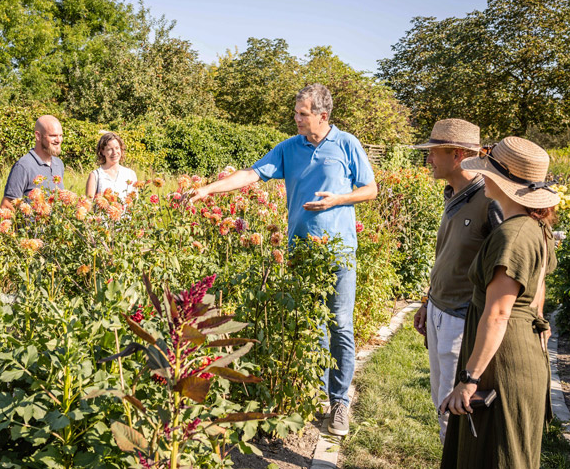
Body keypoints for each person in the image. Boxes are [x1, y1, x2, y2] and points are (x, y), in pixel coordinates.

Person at [190, 83, 377, 436]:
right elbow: (252, 174)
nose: (296, 119)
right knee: (312, 325)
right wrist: (208, 189)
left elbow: (370, 189)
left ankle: (339, 402)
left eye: (302, 114)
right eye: (296, 112)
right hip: (301, 252)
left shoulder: (347, 144)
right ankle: (317, 394)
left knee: (340, 324)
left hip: (339, 253)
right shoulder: (289, 148)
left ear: (322, 115)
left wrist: (336, 199)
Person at [437, 136, 559, 469]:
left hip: (502, 361)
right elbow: (536, 294)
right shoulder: (533, 227)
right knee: (493, 461)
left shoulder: (511, 235)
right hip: (516, 351)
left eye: (488, 171)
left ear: (504, 182)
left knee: (499, 466)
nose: (483, 176)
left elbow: (498, 313)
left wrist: (469, 379)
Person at [411, 119, 503, 444]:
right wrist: (427, 301)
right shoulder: (453, 193)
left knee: (454, 409)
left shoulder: (490, 203)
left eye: (434, 152)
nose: (428, 159)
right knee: (440, 399)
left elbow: (504, 266)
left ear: (458, 155)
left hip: (461, 319)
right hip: (438, 310)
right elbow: (446, 255)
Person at [1, 115, 64, 209]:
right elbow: (7, 205)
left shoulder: (59, 164)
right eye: (53, 136)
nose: (58, 140)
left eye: (60, 135)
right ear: (38, 136)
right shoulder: (23, 166)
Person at [85, 132, 137, 200]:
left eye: (117, 148)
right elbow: (89, 203)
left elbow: (135, 203)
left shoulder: (130, 174)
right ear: (102, 151)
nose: (114, 152)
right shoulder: (95, 175)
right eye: (109, 149)